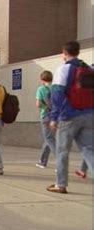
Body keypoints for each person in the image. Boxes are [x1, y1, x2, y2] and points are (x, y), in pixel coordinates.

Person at [47, 41, 94, 193]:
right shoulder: (89, 69)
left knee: (62, 151)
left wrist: (54, 117)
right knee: (89, 150)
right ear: (78, 52)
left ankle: (61, 184)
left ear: (64, 53)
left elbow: (57, 94)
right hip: (89, 114)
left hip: (69, 116)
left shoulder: (64, 69)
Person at [35, 71, 56, 168]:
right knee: (48, 138)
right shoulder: (56, 88)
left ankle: (60, 161)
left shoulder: (41, 89)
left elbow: (38, 104)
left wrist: (44, 106)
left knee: (49, 139)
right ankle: (42, 161)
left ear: (42, 79)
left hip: (46, 115)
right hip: (55, 116)